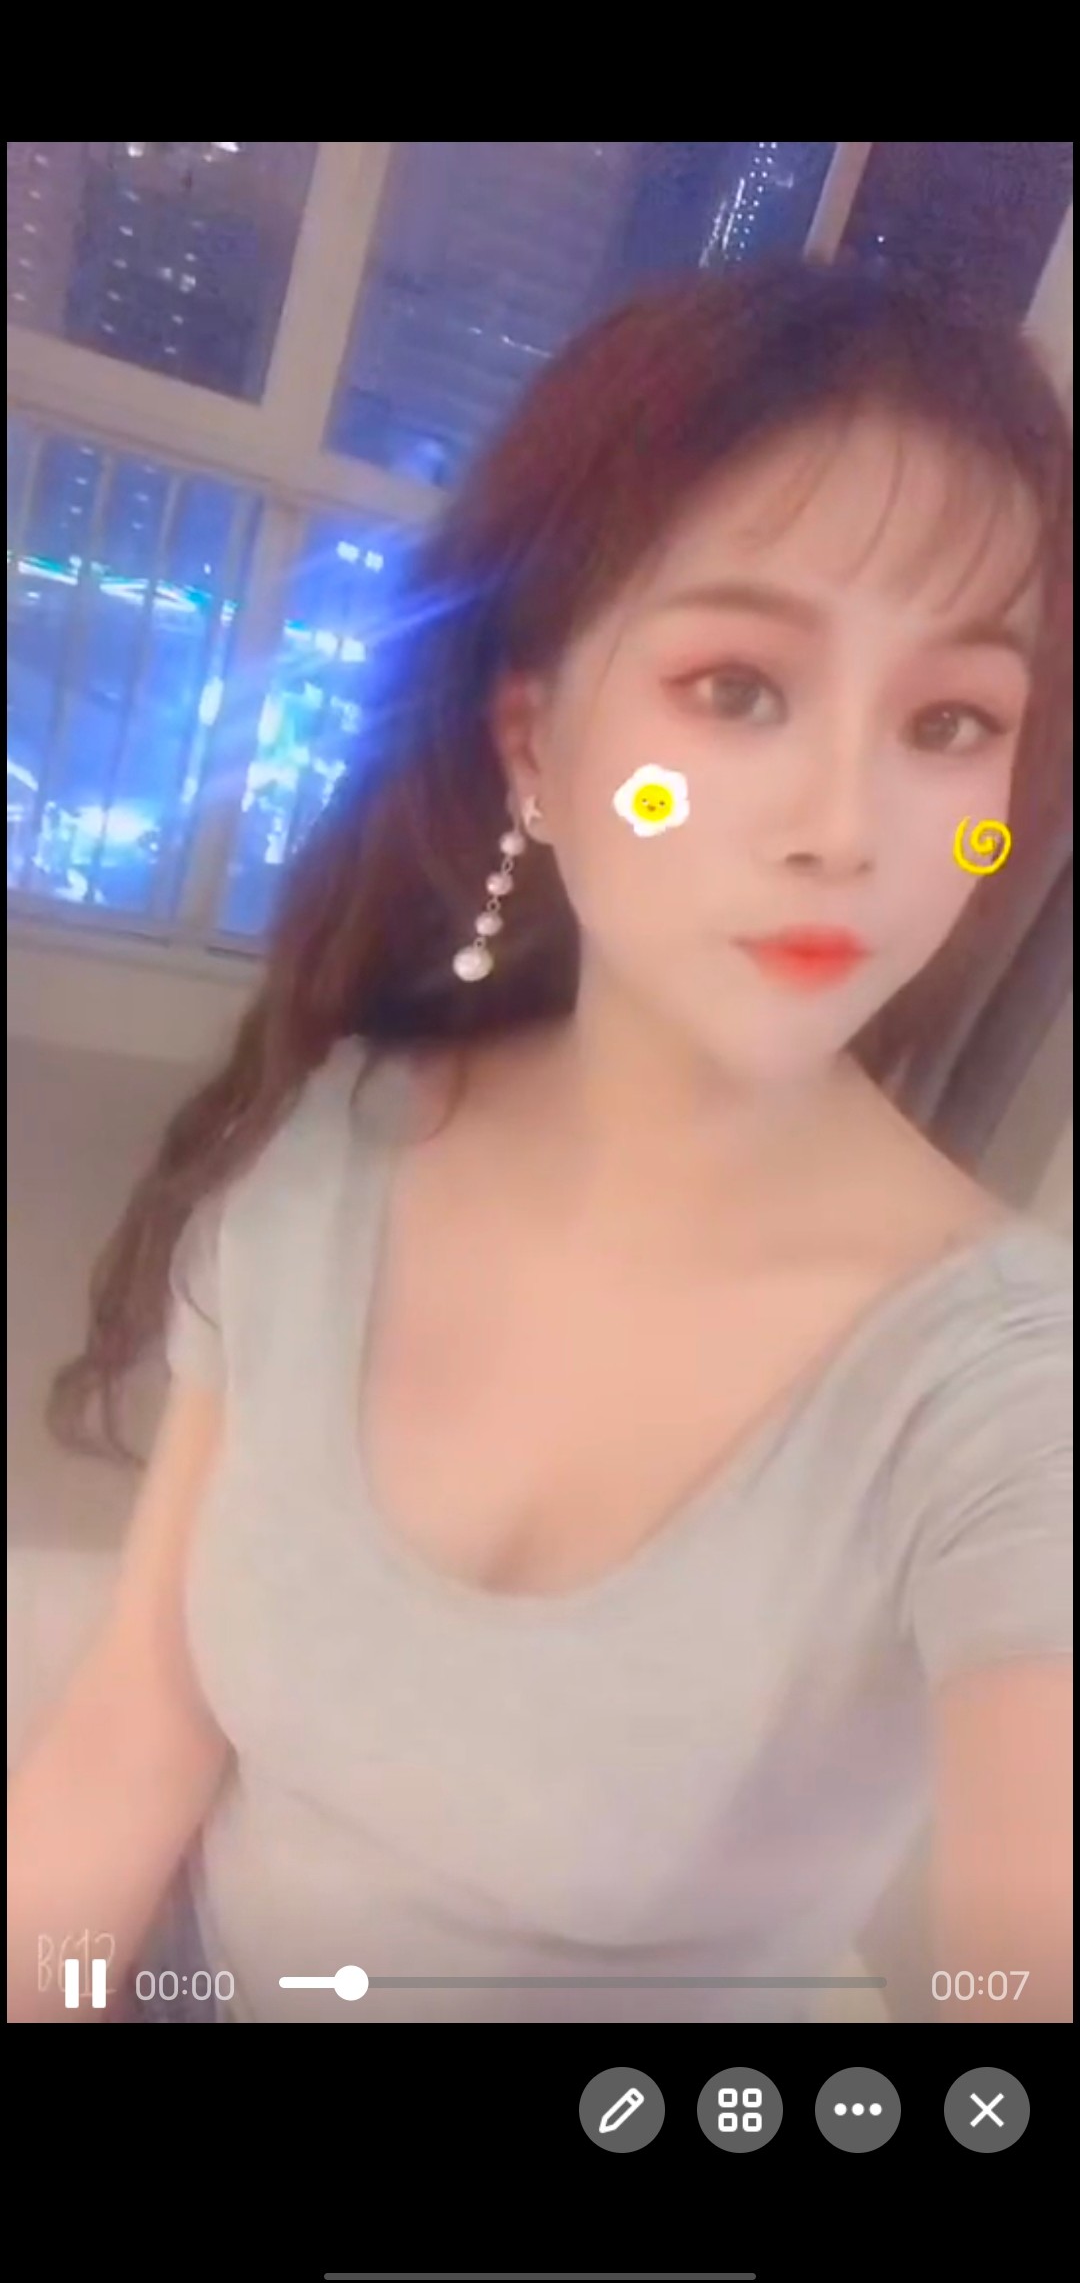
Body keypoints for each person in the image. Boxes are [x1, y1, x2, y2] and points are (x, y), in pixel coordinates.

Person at [8, 262, 1072, 2026]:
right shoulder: (343, 1143)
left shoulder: (1004, 1397)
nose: (847, 825)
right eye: (738, 688)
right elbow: (135, 1734)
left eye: (950, 722)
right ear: (537, 747)